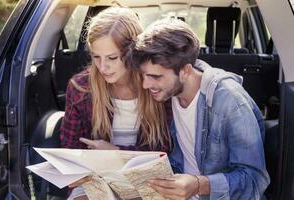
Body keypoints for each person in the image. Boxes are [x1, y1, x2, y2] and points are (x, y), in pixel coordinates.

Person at [126, 18, 270, 200]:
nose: (146, 85)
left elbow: (255, 180)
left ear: (185, 71)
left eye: (155, 76)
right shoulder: (170, 94)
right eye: (144, 76)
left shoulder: (230, 101)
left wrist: (199, 185)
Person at [59, 7, 171, 200]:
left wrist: (117, 153)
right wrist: (73, 171)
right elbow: (70, 146)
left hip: (146, 179)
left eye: (112, 58)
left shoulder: (155, 85)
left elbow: (166, 150)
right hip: (94, 179)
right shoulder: (80, 87)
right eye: (96, 57)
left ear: (132, 53)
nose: (103, 67)